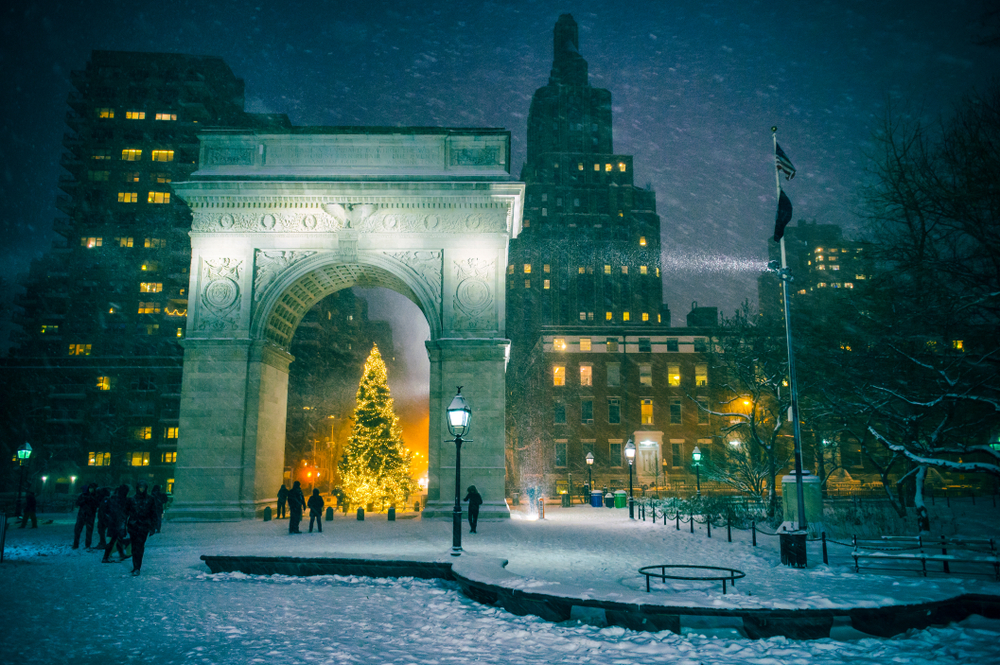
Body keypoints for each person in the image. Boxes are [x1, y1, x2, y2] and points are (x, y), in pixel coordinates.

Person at [127, 481, 159, 576]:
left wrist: (153, 527)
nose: (141, 489)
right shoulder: (132, 499)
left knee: (139, 547)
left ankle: (137, 567)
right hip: (133, 526)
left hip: (143, 526)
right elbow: (126, 513)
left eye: (143, 487)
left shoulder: (150, 499)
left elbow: (153, 513)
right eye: (140, 487)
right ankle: (135, 566)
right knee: (134, 547)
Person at [102, 485, 131, 564]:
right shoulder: (123, 500)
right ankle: (106, 557)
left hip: (113, 522)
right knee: (115, 540)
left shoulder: (113, 499)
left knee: (116, 539)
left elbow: (107, 510)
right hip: (118, 523)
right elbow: (126, 511)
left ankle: (120, 554)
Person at [73, 482, 100, 549]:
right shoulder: (83, 495)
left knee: (89, 531)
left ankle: (87, 545)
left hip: (89, 515)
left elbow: (97, 505)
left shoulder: (96, 496)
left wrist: (91, 501)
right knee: (78, 530)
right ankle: (76, 544)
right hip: (83, 514)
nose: (91, 489)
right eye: (90, 488)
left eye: (92, 488)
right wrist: (84, 501)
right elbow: (77, 503)